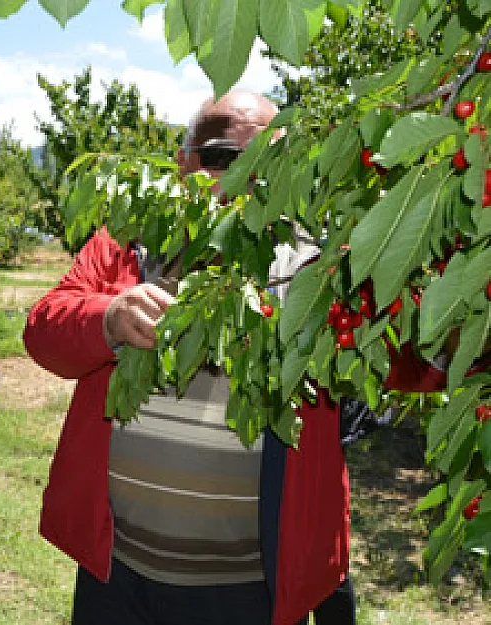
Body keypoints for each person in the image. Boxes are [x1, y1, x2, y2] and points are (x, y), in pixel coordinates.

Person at [22, 89, 447, 625]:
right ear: (184, 161)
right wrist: (108, 318)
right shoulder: (130, 243)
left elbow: (414, 357)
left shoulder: (317, 265)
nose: (245, 176)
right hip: (118, 576)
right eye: (224, 156)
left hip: (246, 589)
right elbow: (44, 328)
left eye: (267, 158)